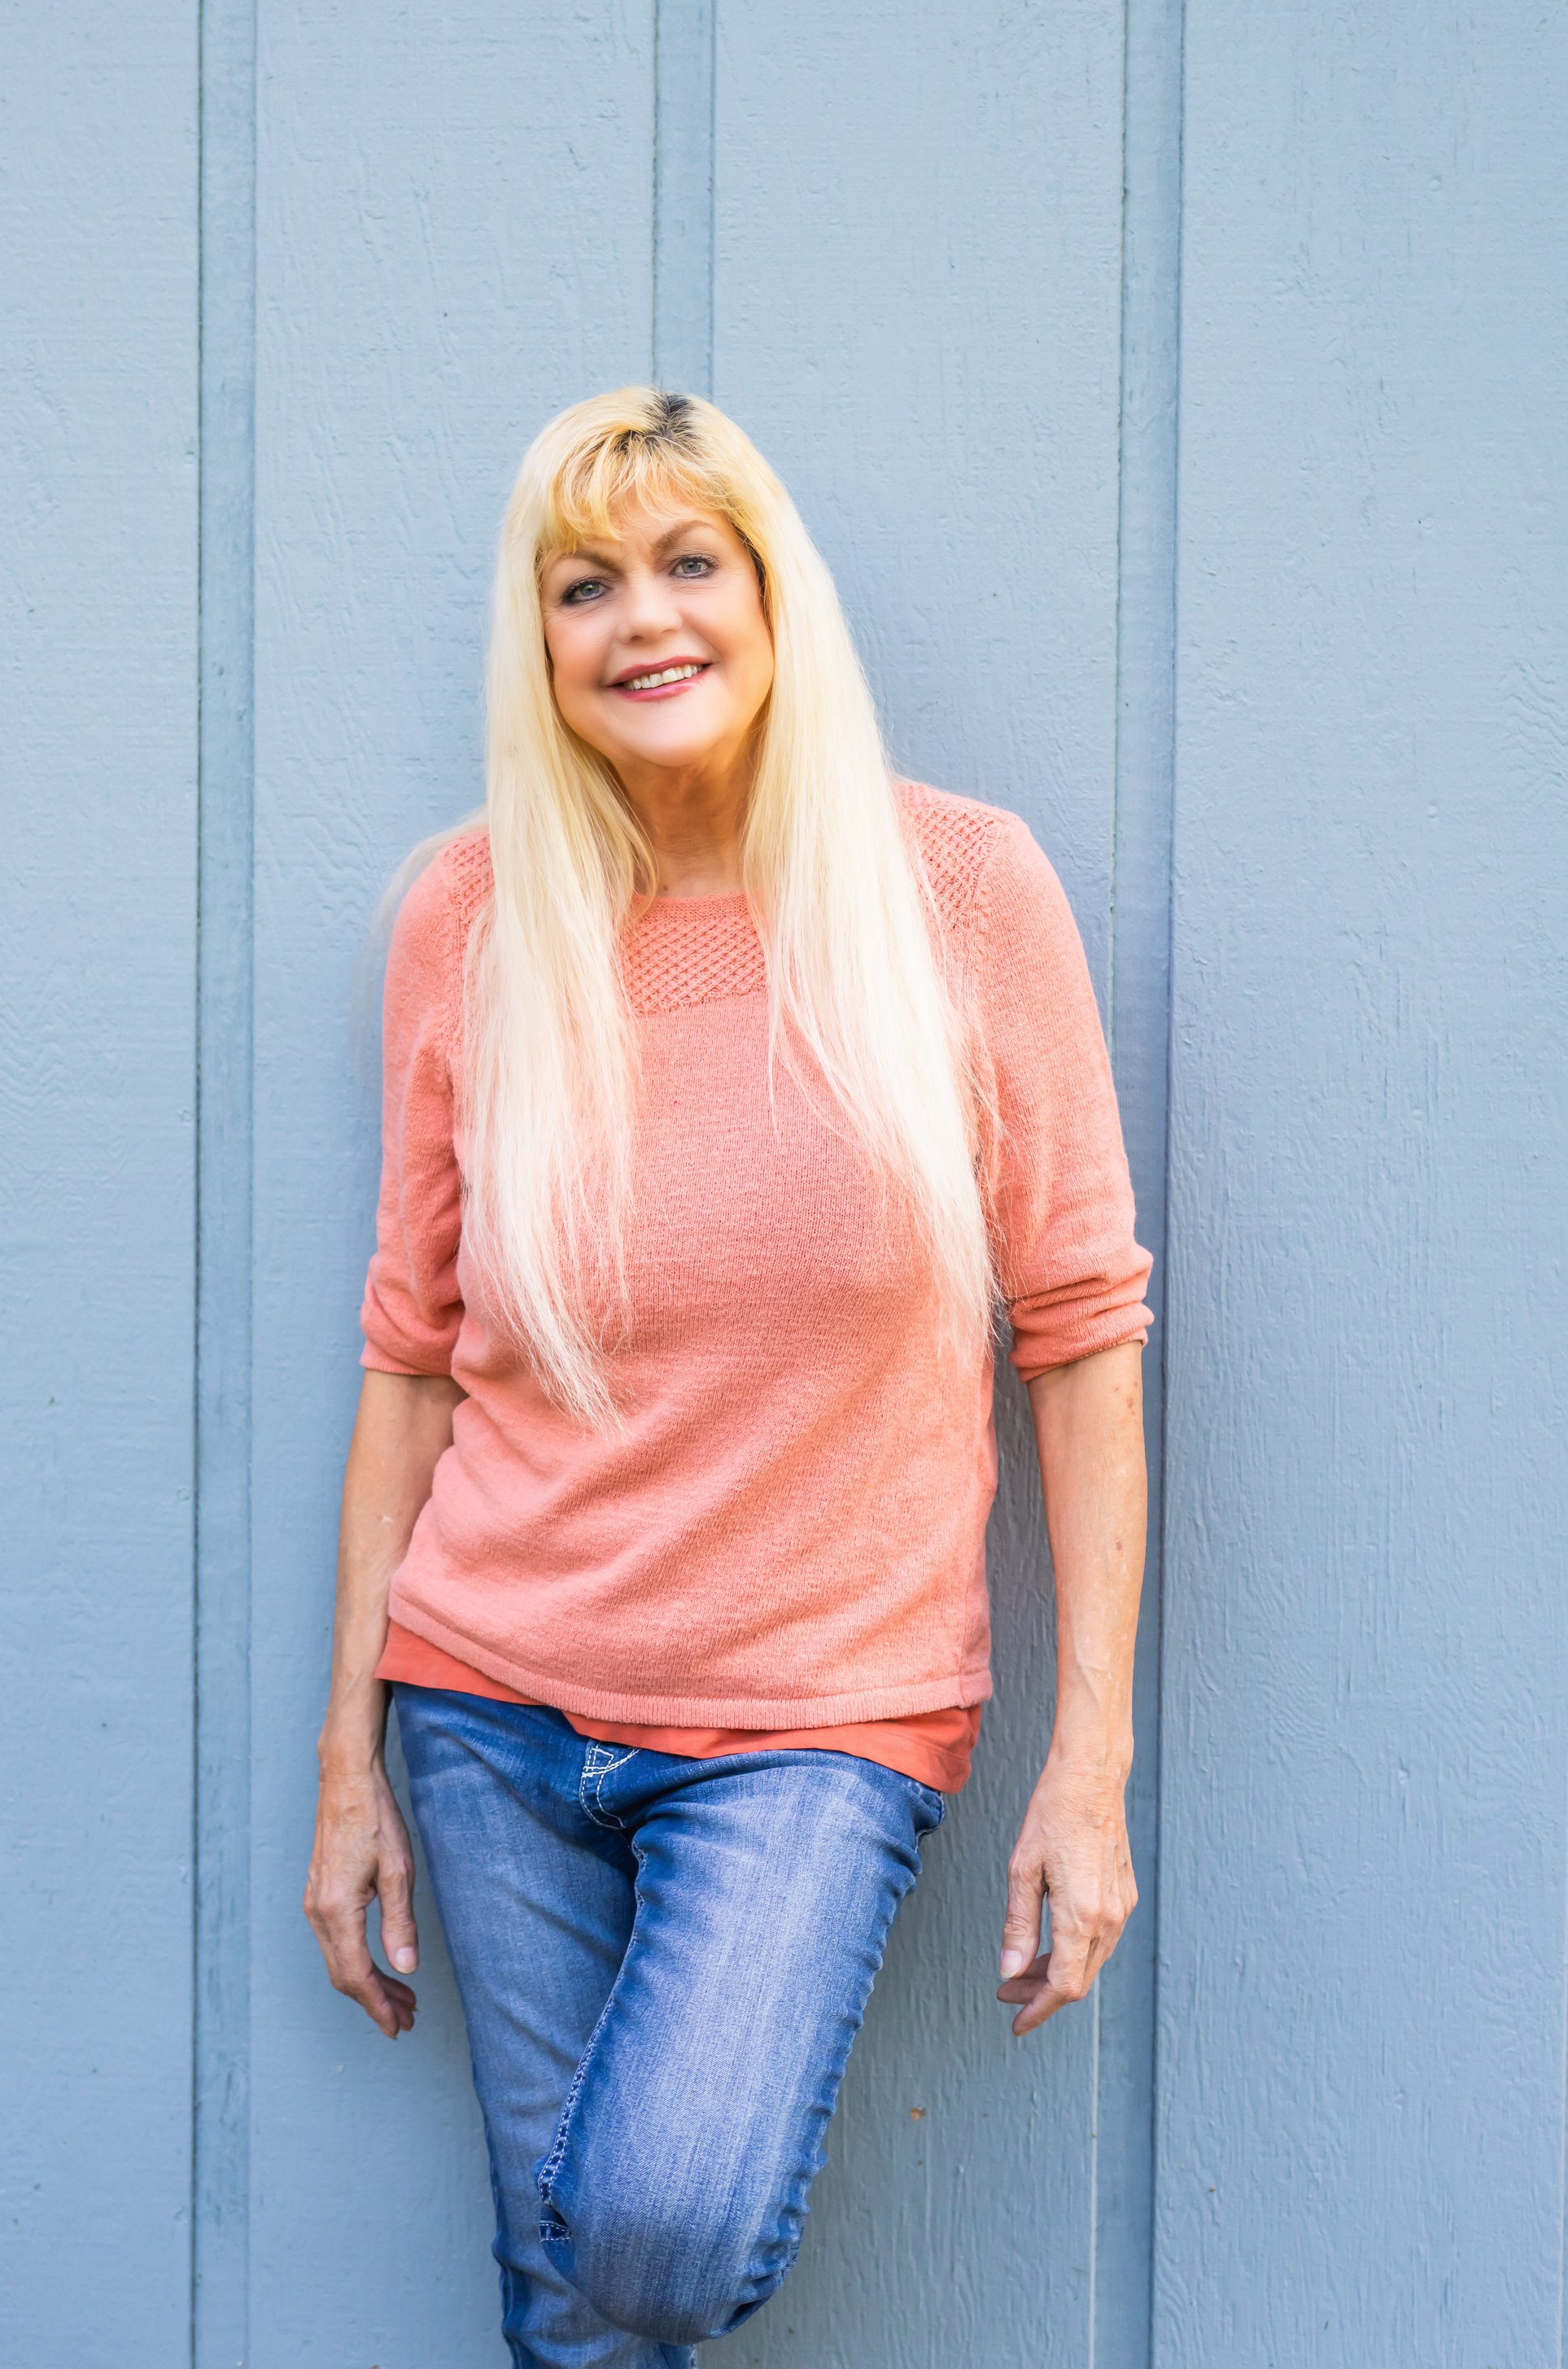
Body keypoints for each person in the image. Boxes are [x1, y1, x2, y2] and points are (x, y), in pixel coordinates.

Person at [305, 388, 1152, 2367]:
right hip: (490, 1705)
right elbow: (410, 1362)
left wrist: (1085, 1764)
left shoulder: (954, 891)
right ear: (537, 645)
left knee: (645, 2242)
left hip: (813, 1720)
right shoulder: (468, 918)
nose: (640, 617)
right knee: (577, 2326)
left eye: (688, 561)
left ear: (773, 594)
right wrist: (350, 1764)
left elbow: (1084, 1326)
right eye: (580, 582)